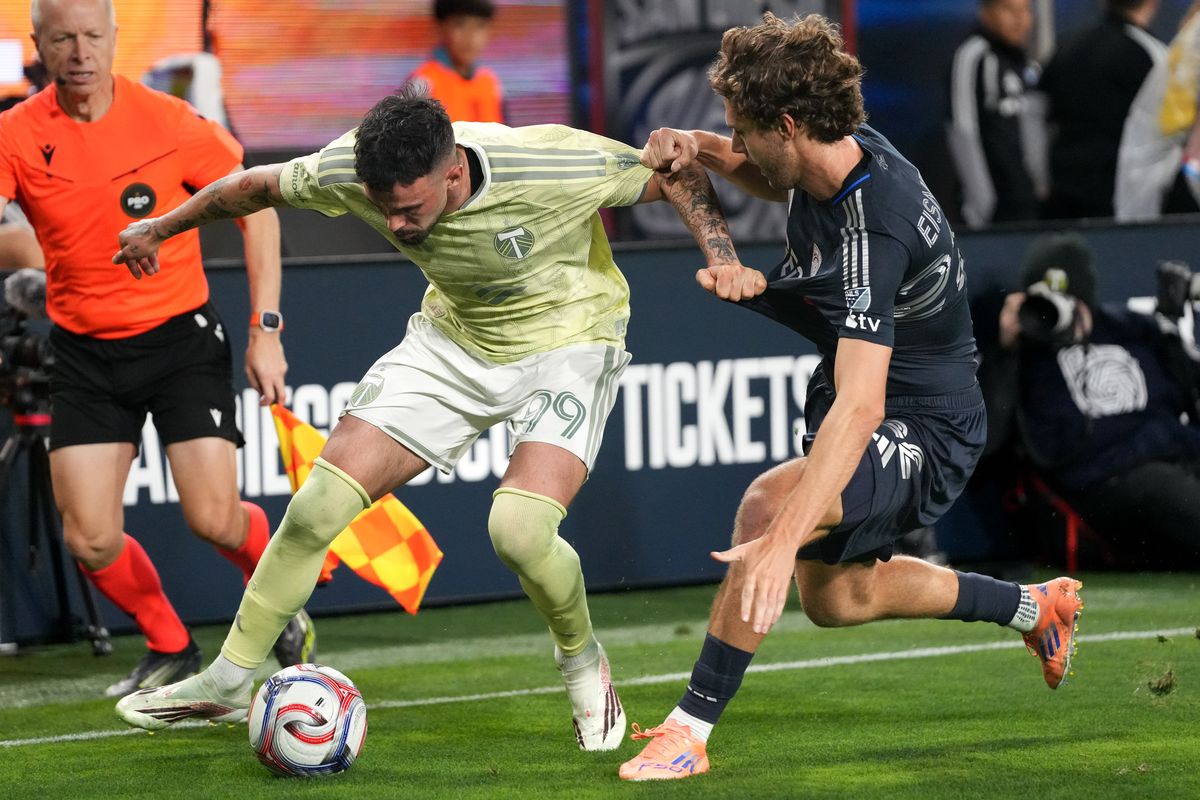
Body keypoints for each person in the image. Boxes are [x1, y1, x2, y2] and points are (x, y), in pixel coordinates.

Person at [110, 83, 746, 751]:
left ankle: (583, 661)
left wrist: (724, 260)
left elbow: (678, 173)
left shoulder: (553, 164)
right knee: (316, 505)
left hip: (572, 340)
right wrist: (159, 227)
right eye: (385, 211)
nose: (399, 226)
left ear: (453, 172)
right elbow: (255, 186)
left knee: (519, 532)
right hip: (457, 340)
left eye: (410, 210)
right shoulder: (349, 168)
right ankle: (230, 679)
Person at [619, 13, 1083, 781]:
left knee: (771, 510)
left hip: (925, 426)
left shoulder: (877, 226)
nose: (734, 139)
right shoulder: (832, 157)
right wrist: (695, 145)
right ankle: (1037, 609)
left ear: (790, 124)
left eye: (741, 127)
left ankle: (688, 730)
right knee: (840, 599)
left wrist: (775, 547)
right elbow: (759, 168)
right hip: (881, 397)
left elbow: (864, 406)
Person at [0, 0, 314, 697]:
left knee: (214, 518)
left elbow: (256, 207)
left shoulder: (171, 123)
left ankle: (281, 602)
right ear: (38, 45)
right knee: (89, 538)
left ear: (114, 39)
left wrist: (267, 330)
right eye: (62, 39)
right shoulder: (15, 134)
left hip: (180, 341)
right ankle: (170, 644)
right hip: (82, 350)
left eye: (91, 36)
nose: (79, 52)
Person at [980, 232, 1200, 567]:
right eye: (1048, 302)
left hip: (1176, 455)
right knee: (1163, 491)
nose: (1062, 313)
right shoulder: (1025, 351)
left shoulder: (1129, 328)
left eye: (1072, 301)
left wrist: (1169, 333)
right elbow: (986, 442)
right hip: (1104, 483)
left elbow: (1188, 396)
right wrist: (1006, 349)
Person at [1039, 0, 1163, 219]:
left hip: (1063, 197)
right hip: (1124, 202)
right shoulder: (1155, 56)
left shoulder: (1066, 48)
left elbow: (1039, 119)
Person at [946, 0, 1046, 228]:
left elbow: (1035, 130)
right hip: (991, 213)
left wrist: (1040, 188)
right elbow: (962, 129)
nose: (1019, 20)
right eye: (1009, 10)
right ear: (987, 13)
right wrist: (983, 203)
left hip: (1027, 208)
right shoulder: (972, 56)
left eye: (1024, 11)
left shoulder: (1026, 65)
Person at [409, 0, 504, 124]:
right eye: (460, 24)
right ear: (440, 28)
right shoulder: (424, 83)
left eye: (480, 26)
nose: (471, 36)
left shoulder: (491, 83)